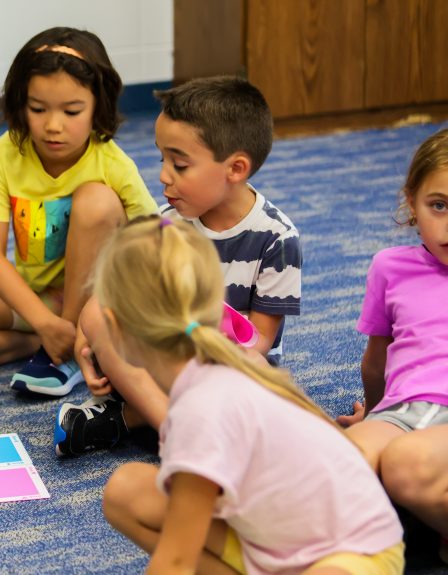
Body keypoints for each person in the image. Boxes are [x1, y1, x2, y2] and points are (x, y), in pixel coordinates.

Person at [94, 215, 404, 574]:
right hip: (277, 540)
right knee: (126, 492)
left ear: (113, 326)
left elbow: (175, 563)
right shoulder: (219, 372)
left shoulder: (200, 412)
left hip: (354, 554)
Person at [54, 76, 302, 456]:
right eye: (162, 159)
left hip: (224, 363)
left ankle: (130, 419)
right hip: (162, 357)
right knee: (98, 318)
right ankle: (170, 422)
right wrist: (86, 344)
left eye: (180, 164)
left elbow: (259, 341)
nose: (163, 176)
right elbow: (108, 297)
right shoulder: (166, 222)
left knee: (263, 377)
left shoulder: (277, 238)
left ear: (235, 169)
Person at [0, 26, 157, 397]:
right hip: (38, 295)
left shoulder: (111, 162)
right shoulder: (1, 155)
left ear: (98, 105)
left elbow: (158, 237)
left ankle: (65, 352)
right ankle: (53, 340)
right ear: (21, 103)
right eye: (38, 109)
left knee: (96, 200)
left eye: (72, 110)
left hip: (97, 299)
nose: (53, 125)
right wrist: (44, 323)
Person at [336, 127, 448, 564]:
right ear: (412, 202)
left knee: (403, 463)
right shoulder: (390, 267)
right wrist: (374, 414)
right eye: (438, 205)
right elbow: (376, 360)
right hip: (404, 411)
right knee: (337, 461)